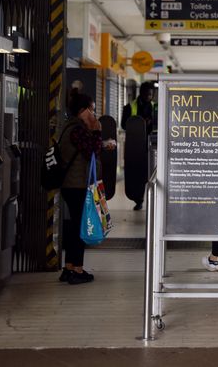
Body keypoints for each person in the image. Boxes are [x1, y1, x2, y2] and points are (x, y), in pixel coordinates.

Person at [60, 92, 116, 285]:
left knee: (75, 225)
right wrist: (97, 130)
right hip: (76, 185)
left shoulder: (73, 127)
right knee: (80, 226)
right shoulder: (77, 129)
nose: (93, 114)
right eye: (91, 109)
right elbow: (91, 149)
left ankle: (68, 268)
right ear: (82, 110)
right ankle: (77, 269)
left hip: (72, 184)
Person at [122, 81, 157, 210]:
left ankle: (150, 198)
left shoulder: (155, 107)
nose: (149, 96)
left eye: (151, 94)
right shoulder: (130, 107)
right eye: (147, 94)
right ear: (141, 93)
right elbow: (123, 124)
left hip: (151, 146)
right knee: (135, 173)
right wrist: (139, 123)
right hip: (134, 146)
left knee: (149, 173)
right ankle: (138, 199)